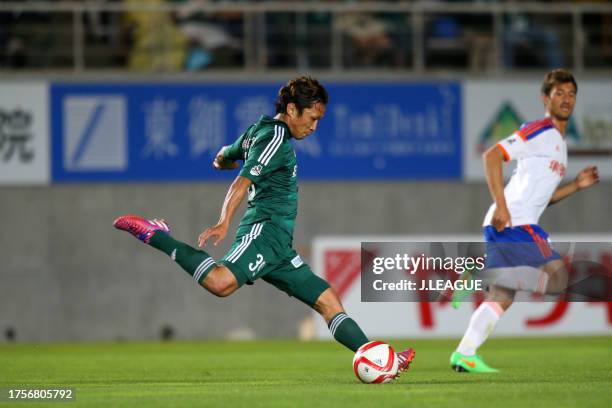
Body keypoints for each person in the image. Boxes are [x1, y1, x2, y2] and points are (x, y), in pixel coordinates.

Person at [114, 76, 415, 377]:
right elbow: (242, 181)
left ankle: (381, 359)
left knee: (328, 301)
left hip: (280, 247)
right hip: (264, 230)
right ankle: (155, 234)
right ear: (293, 109)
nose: (314, 127)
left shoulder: (258, 131)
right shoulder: (275, 138)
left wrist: (225, 160)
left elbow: (222, 156)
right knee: (221, 283)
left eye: (319, 120)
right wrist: (224, 221)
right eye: (312, 118)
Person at [450, 69, 599, 373]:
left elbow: (544, 198)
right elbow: (492, 155)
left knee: (503, 296)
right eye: (559, 93)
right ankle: (478, 276)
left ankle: (464, 353)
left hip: (510, 220)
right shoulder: (540, 131)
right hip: (514, 220)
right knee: (558, 279)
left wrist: (576, 186)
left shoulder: (558, 142)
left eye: (571, 94)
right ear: (546, 98)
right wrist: (503, 207)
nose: (566, 99)